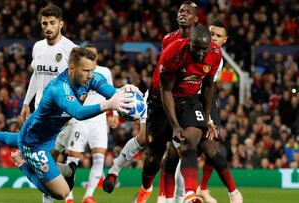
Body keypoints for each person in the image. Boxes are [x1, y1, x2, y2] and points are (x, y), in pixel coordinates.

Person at [0, 48, 137, 200]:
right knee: (63, 192)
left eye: (92, 70)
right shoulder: (59, 89)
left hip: (50, 136)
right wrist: (108, 105)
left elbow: (110, 91)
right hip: (34, 145)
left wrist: (121, 92)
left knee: (23, 142)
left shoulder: (89, 77)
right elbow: (78, 112)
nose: (90, 75)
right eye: (86, 71)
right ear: (72, 68)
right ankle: (23, 163)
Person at [102, 2, 199, 202]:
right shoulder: (168, 39)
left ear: (196, 19)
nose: (183, 14)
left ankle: (184, 196)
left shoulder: (202, 45)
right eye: (181, 11)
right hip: (158, 98)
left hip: (184, 102)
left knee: (183, 149)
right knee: (150, 147)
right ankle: (141, 185)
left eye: (188, 12)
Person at [54, 44, 116, 203]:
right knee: (73, 157)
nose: (91, 57)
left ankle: (89, 195)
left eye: (93, 55)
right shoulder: (78, 73)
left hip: (99, 120)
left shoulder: (105, 72)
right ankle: (69, 195)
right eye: (88, 54)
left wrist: (114, 113)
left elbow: (112, 93)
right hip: (80, 119)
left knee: (99, 157)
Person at [195, 20, 243, 203]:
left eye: (218, 36)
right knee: (195, 147)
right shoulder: (194, 50)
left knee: (211, 143)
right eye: (211, 34)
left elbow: (207, 87)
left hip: (206, 100)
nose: (214, 38)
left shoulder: (218, 58)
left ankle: (203, 188)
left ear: (225, 40)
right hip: (189, 99)